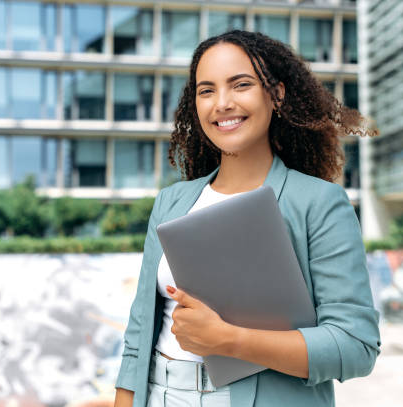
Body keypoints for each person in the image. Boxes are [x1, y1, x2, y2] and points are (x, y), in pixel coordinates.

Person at [114, 30, 381, 407]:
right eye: (206, 91)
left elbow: (355, 346)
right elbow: (139, 335)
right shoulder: (171, 202)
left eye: (240, 85)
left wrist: (227, 340)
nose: (222, 103)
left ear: (277, 95)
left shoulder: (319, 203)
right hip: (161, 394)